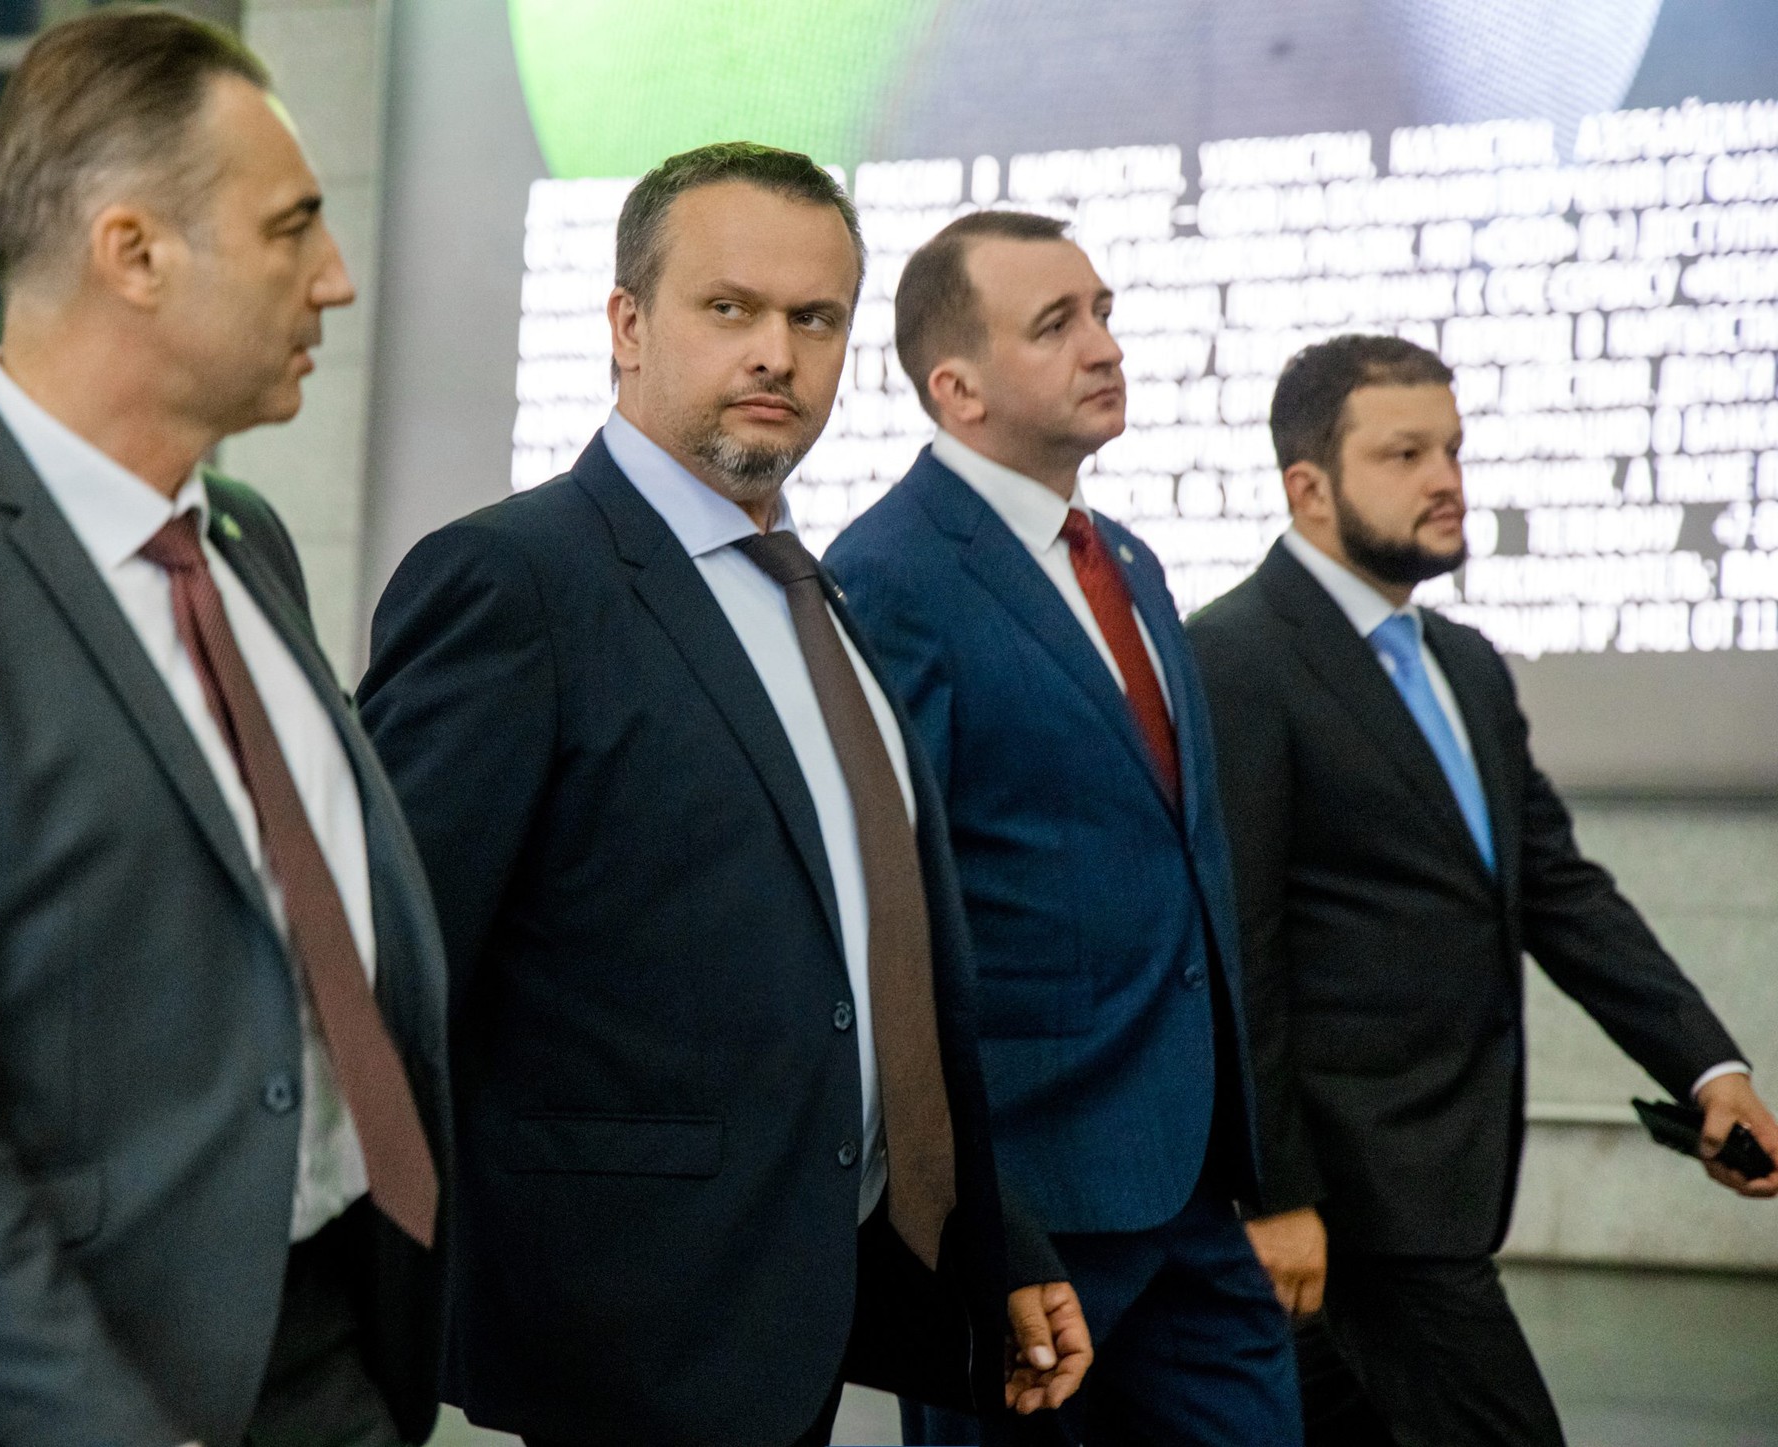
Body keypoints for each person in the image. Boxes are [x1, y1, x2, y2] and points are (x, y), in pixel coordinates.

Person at [0, 12, 452, 1446]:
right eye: (291, 228)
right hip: (44, 1390)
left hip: (314, 1349)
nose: (337, 275)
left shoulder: (242, 543)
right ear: (134, 253)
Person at [358, 142, 1090, 1447]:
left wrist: (995, 1236)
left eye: (814, 318)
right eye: (729, 307)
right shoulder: (513, 582)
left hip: (796, 1311)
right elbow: (392, 973)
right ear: (627, 326)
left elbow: (874, 966)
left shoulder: (815, 596)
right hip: (621, 1332)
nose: (776, 354)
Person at [1187, 332, 1778, 1447]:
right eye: (1403, 454)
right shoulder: (1233, 656)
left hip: (1447, 1177)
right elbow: (1237, 948)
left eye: (1451, 449)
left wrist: (1707, 1067)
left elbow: (1557, 891)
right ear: (1307, 489)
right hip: (1354, 1198)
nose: (1446, 479)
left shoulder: (1461, 661)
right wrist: (1273, 1192)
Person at [824, 211, 1301, 1446]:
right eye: (1054, 325)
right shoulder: (889, 574)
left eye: (1101, 313)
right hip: (1028, 1205)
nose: (1102, 345)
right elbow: (894, 914)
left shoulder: (1127, 560)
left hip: (1190, 1183)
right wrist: (973, 1210)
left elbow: (1185, 863)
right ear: (956, 388)